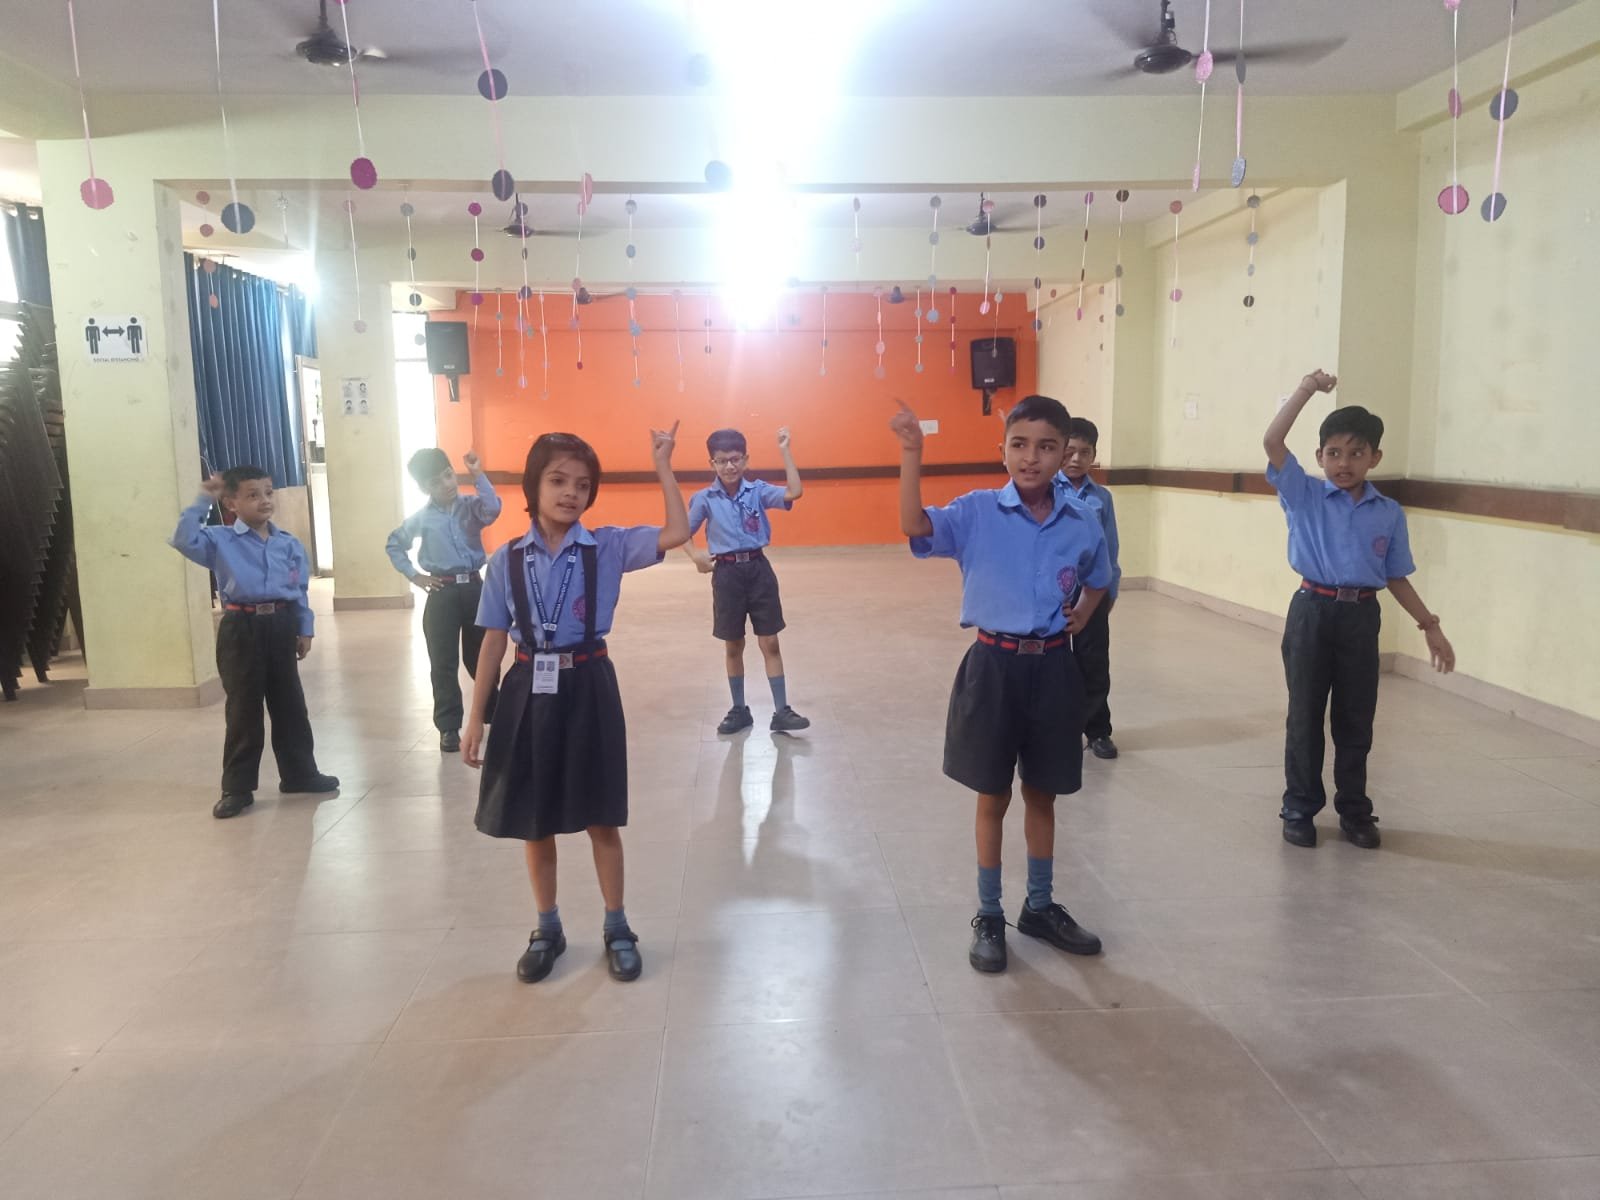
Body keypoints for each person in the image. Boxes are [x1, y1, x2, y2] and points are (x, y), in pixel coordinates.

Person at [892, 394, 1113, 974]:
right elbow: (914, 526)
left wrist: (1084, 612)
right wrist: (912, 453)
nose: (1031, 457)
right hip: (993, 667)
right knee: (993, 795)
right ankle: (989, 913)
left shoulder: (1082, 520)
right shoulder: (977, 512)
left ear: (1065, 454)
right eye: (1020, 445)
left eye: (1046, 447)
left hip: (1055, 667)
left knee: (1043, 792)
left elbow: (1100, 576)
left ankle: (1038, 905)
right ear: (1003, 450)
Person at [463, 423, 690, 984]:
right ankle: (548, 928)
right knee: (534, 820)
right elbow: (492, 640)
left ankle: (617, 925)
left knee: (600, 815)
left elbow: (677, 531)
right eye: (558, 480)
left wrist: (663, 466)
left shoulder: (607, 547)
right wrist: (475, 716)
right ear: (533, 486)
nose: (570, 493)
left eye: (582, 485)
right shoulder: (506, 559)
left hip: (589, 683)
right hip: (527, 688)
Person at [1264, 369, 1456, 850]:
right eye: (1333, 453)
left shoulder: (1387, 512)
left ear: (1375, 457)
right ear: (1319, 457)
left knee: (1355, 718)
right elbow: (1272, 440)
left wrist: (1429, 626)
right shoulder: (1304, 495)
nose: (1343, 463)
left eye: (1355, 453)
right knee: (1305, 714)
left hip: (1360, 618)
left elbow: (1396, 576)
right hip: (1311, 610)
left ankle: (1354, 810)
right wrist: (1307, 389)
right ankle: (1299, 807)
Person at [170, 466, 339, 819]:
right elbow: (183, 539)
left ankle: (299, 773)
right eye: (252, 495)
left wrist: (304, 628)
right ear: (231, 503)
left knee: (290, 704)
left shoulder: (288, 544)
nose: (264, 500)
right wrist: (204, 499)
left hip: (281, 623)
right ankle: (237, 788)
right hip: (240, 627)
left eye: (268, 492)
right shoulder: (219, 540)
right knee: (244, 709)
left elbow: (299, 590)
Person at [681, 427, 810, 734]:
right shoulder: (705, 498)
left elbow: (794, 492)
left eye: (736, 459)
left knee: (770, 641)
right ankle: (739, 710)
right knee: (733, 644)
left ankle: (782, 710)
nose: (730, 466)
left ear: (746, 459)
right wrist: (695, 555)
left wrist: (785, 451)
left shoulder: (758, 491)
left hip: (758, 570)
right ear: (712, 463)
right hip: (727, 576)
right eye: (722, 460)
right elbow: (681, 532)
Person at [386, 447, 503, 752]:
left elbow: (493, 509)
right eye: (436, 482)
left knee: (482, 656)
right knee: (443, 662)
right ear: (424, 488)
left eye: (448, 475)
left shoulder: (471, 507)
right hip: (442, 594)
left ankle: (494, 712)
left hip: (475, 590)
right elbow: (394, 543)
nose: (447, 484)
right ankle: (449, 727)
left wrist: (477, 474)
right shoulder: (422, 519)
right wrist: (414, 575)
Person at [1057, 416, 1122, 759]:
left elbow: (1110, 548)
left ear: (1094, 455)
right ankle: (1057, 728)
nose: (1076, 459)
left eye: (1085, 452)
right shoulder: (1046, 490)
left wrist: (1110, 589)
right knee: (1054, 663)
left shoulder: (1102, 498)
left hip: (1091, 591)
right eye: (1069, 451)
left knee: (1093, 662)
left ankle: (1098, 730)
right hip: (1054, 593)